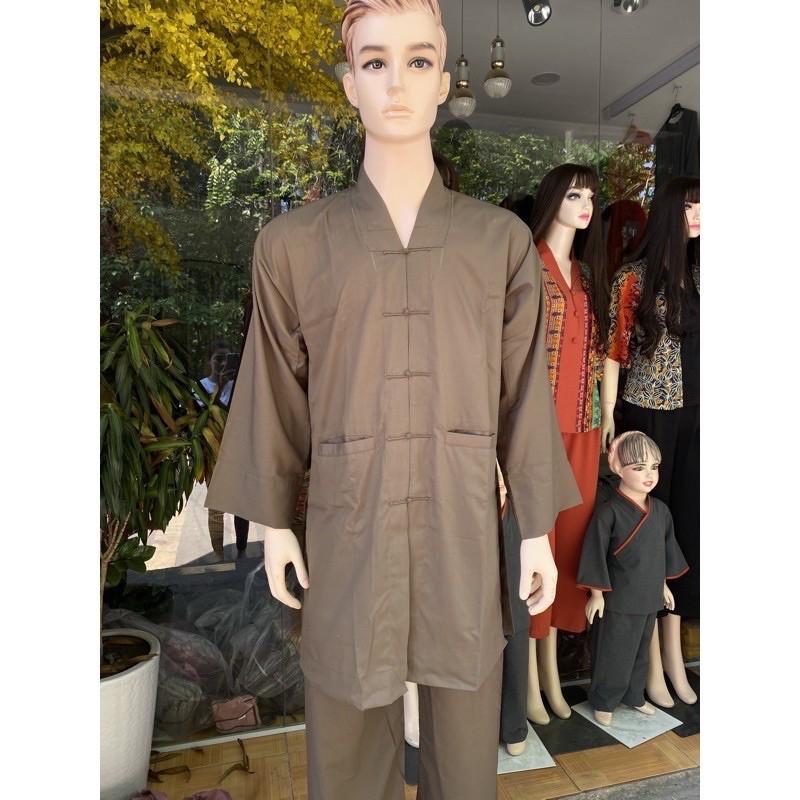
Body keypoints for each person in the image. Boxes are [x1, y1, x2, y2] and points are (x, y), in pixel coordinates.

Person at [205, 2, 579, 798]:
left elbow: (523, 396)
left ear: (444, 81)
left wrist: (535, 530)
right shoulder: (293, 246)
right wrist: (274, 523)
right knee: (345, 726)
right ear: (350, 83)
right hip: (350, 519)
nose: (397, 83)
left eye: (418, 61)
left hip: (461, 521)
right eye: (375, 61)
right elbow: (275, 387)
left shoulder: (499, 243)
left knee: (465, 734)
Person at [500, 164, 608, 749]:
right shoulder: (526, 264)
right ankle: (526, 685)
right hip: (537, 431)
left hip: (584, 427)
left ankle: (549, 673)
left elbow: (596, 353)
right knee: (534, 544)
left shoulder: (587, 274)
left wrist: (605, 416)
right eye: (573, 194)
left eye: (590, 195)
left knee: (569, 543)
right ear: (551, 199)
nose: (585, 204)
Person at [600, 176, 700, 707]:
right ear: (668, 212)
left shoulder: (703, 274)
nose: (701, 214)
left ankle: (676, 656)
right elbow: (613, 353)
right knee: (651, 532)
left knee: (688, 530)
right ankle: (653, 665)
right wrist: (608, 417)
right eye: (691, 206)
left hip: (698, 417)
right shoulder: (633, 277)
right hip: (652, 412)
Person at [577, 431, 688, 726]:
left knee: (641, 650)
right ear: (618, 468)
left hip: (649, 594)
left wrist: (663, 585)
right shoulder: (609, 512)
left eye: (654, 467)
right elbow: (594, 552)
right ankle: (604, 700)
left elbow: (664, 551)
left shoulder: (661, 511)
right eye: (639, 467)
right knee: (614, 651)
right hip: (619, 597)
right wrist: (597, 594)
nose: (649, 475)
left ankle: (634, 695)